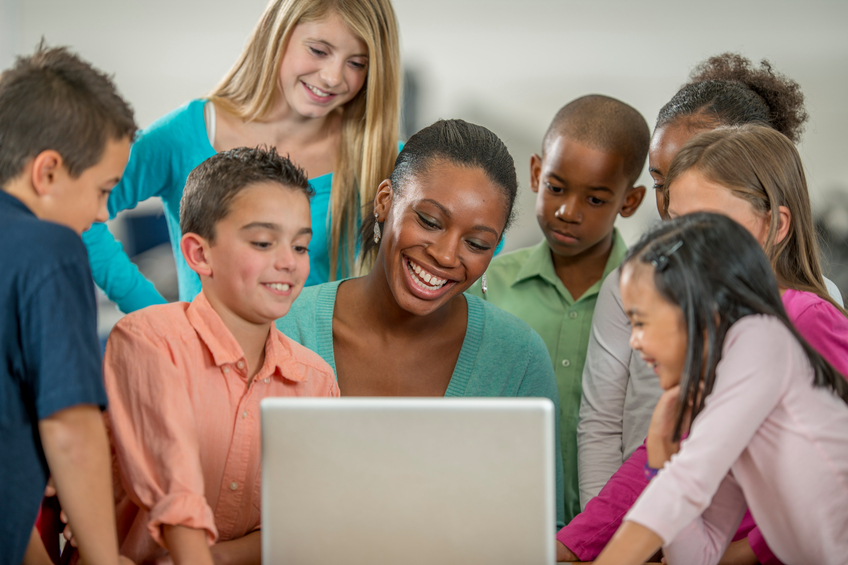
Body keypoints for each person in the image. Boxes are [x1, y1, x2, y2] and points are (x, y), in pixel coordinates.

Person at [557, 124, 848, 564]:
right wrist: (570, 547)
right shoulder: (720, 335)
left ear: (775, 225)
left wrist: (745, 552)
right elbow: (676, 476)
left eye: (707, 228)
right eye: (676, 226)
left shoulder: (802, 320)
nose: (681, 250)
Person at [277, 119, 566, 527]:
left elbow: (538, 530)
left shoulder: (518, 358)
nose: (447, 256)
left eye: (477, 243)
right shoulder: (286, 327)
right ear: (384, 201)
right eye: (430, 221)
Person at [83, 0, 401, 313]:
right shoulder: (187, 134)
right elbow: (80, 211)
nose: (333, 77)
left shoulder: (386, 158)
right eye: (318, 51)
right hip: (203, 364)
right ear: (277, 34)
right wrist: (153, 314)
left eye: (357, 63)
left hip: (325, 366)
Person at [101, 147, 340, 564]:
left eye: (300, 247)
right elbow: (177, 493)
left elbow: (304, 521)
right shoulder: (150, 341)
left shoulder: (316, 381)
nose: (288, 262)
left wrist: (220, 557)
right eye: (264, 242)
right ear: (199, 254)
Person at [466, 94, 649, 522]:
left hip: (614, 530)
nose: (568, 211)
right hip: (503, 520)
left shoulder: (655, 298)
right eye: (556, 187)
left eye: (596, 199)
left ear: (631, 201)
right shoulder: (485, 284)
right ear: (535, 173)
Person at [0, 44, 135, 565]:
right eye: (103, 190)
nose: (102, 214)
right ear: (48, 172)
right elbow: (71, 429)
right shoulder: (50, 250)